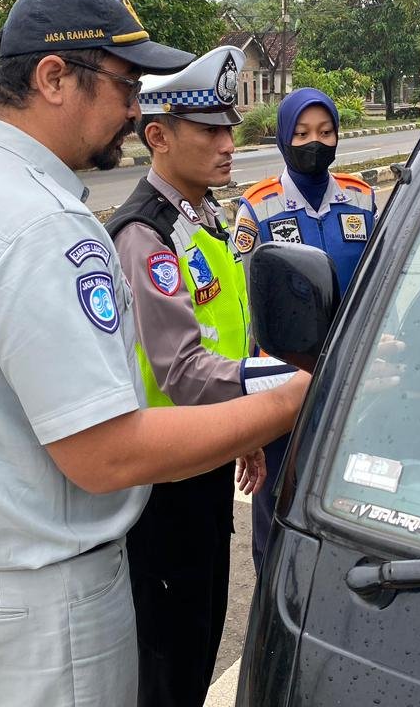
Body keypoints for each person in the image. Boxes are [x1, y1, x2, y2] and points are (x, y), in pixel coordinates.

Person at [0, 0, 309, 707]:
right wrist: (295, 400)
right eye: (123, 84)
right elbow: (105, 452)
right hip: (40, 598)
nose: (133, 107)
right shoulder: (43, 225)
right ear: (54, 78)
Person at [105, 45, 291, 707]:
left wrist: (239, 430)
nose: (227, 143)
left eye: (229, 127)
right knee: (170, 669)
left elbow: (226, 334)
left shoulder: (202, 218)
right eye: (208, 129)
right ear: (158, 136)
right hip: (163, 489)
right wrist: (278, 393)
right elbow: (183, 370)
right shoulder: (145, 237)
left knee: (199, 639)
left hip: (202, 461)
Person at [235, 88, 377, 568]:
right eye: (301, 133)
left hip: (355, 378)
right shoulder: (258, 209)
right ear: (282, 138)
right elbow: (247, 317)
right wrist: (249, 413)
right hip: (284, 380)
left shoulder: (362, 198)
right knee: (279, 509)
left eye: (325, 131)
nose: (314, 142)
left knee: (352, 503)